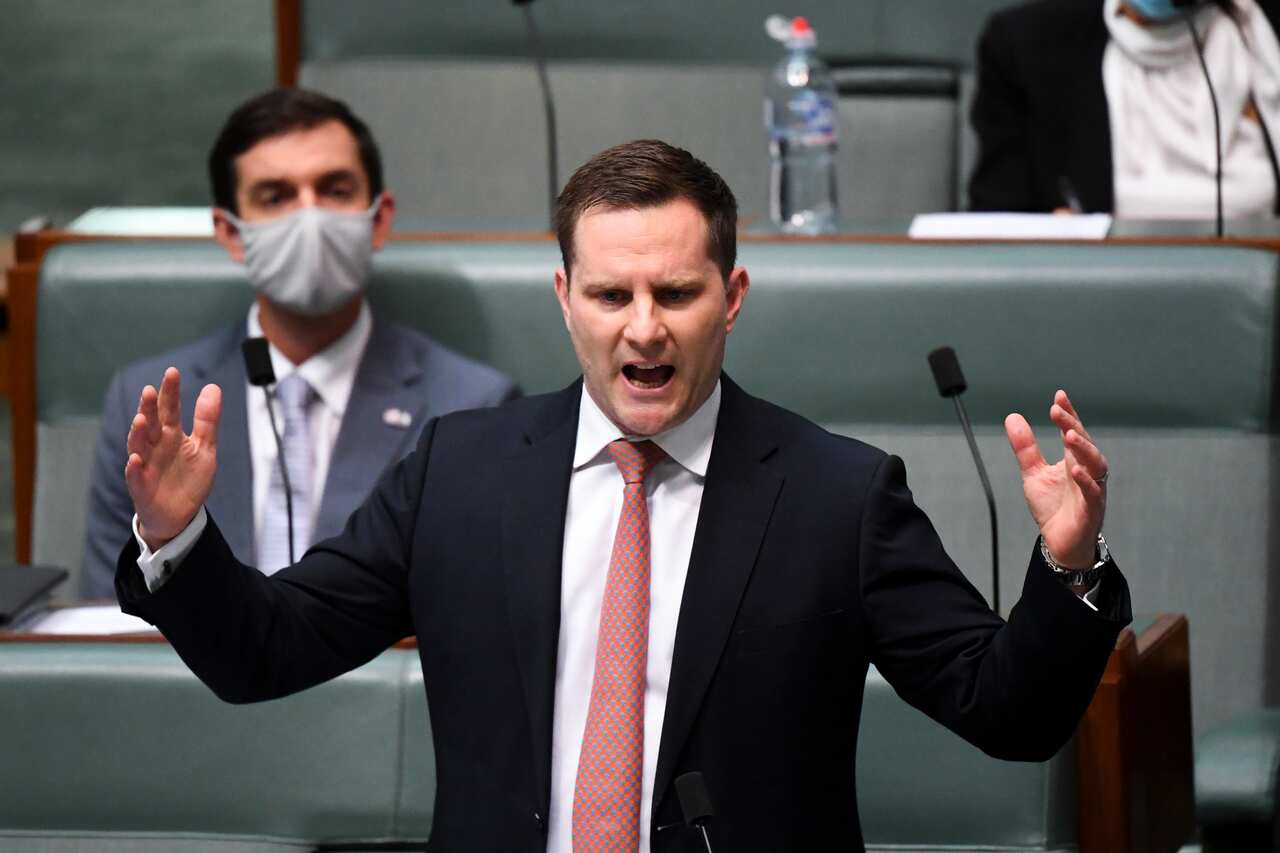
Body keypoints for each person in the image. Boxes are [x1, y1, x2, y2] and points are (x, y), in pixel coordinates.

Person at [115, 140, 1130, 852]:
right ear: (564, 300)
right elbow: (265, 651)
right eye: (609, 295)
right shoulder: (457, 473)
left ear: (729, 299)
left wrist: (1067, 565)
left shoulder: (836, 495)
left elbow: (1003, 711)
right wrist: (176, 536)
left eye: (675, 294)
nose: (642, 329)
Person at [80, 88, 519, 599]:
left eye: (335, 190)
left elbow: (473, 618)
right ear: (230, 231)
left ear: (378, 218)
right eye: (275, 196)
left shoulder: (472, 407)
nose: (310, 218)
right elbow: (108, 623)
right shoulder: (148, 402)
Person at [969, 0, 1280, 216]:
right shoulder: (1028, 44)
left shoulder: (1262, 36)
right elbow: (995, 224)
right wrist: (1046, 238)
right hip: (1095, 299)